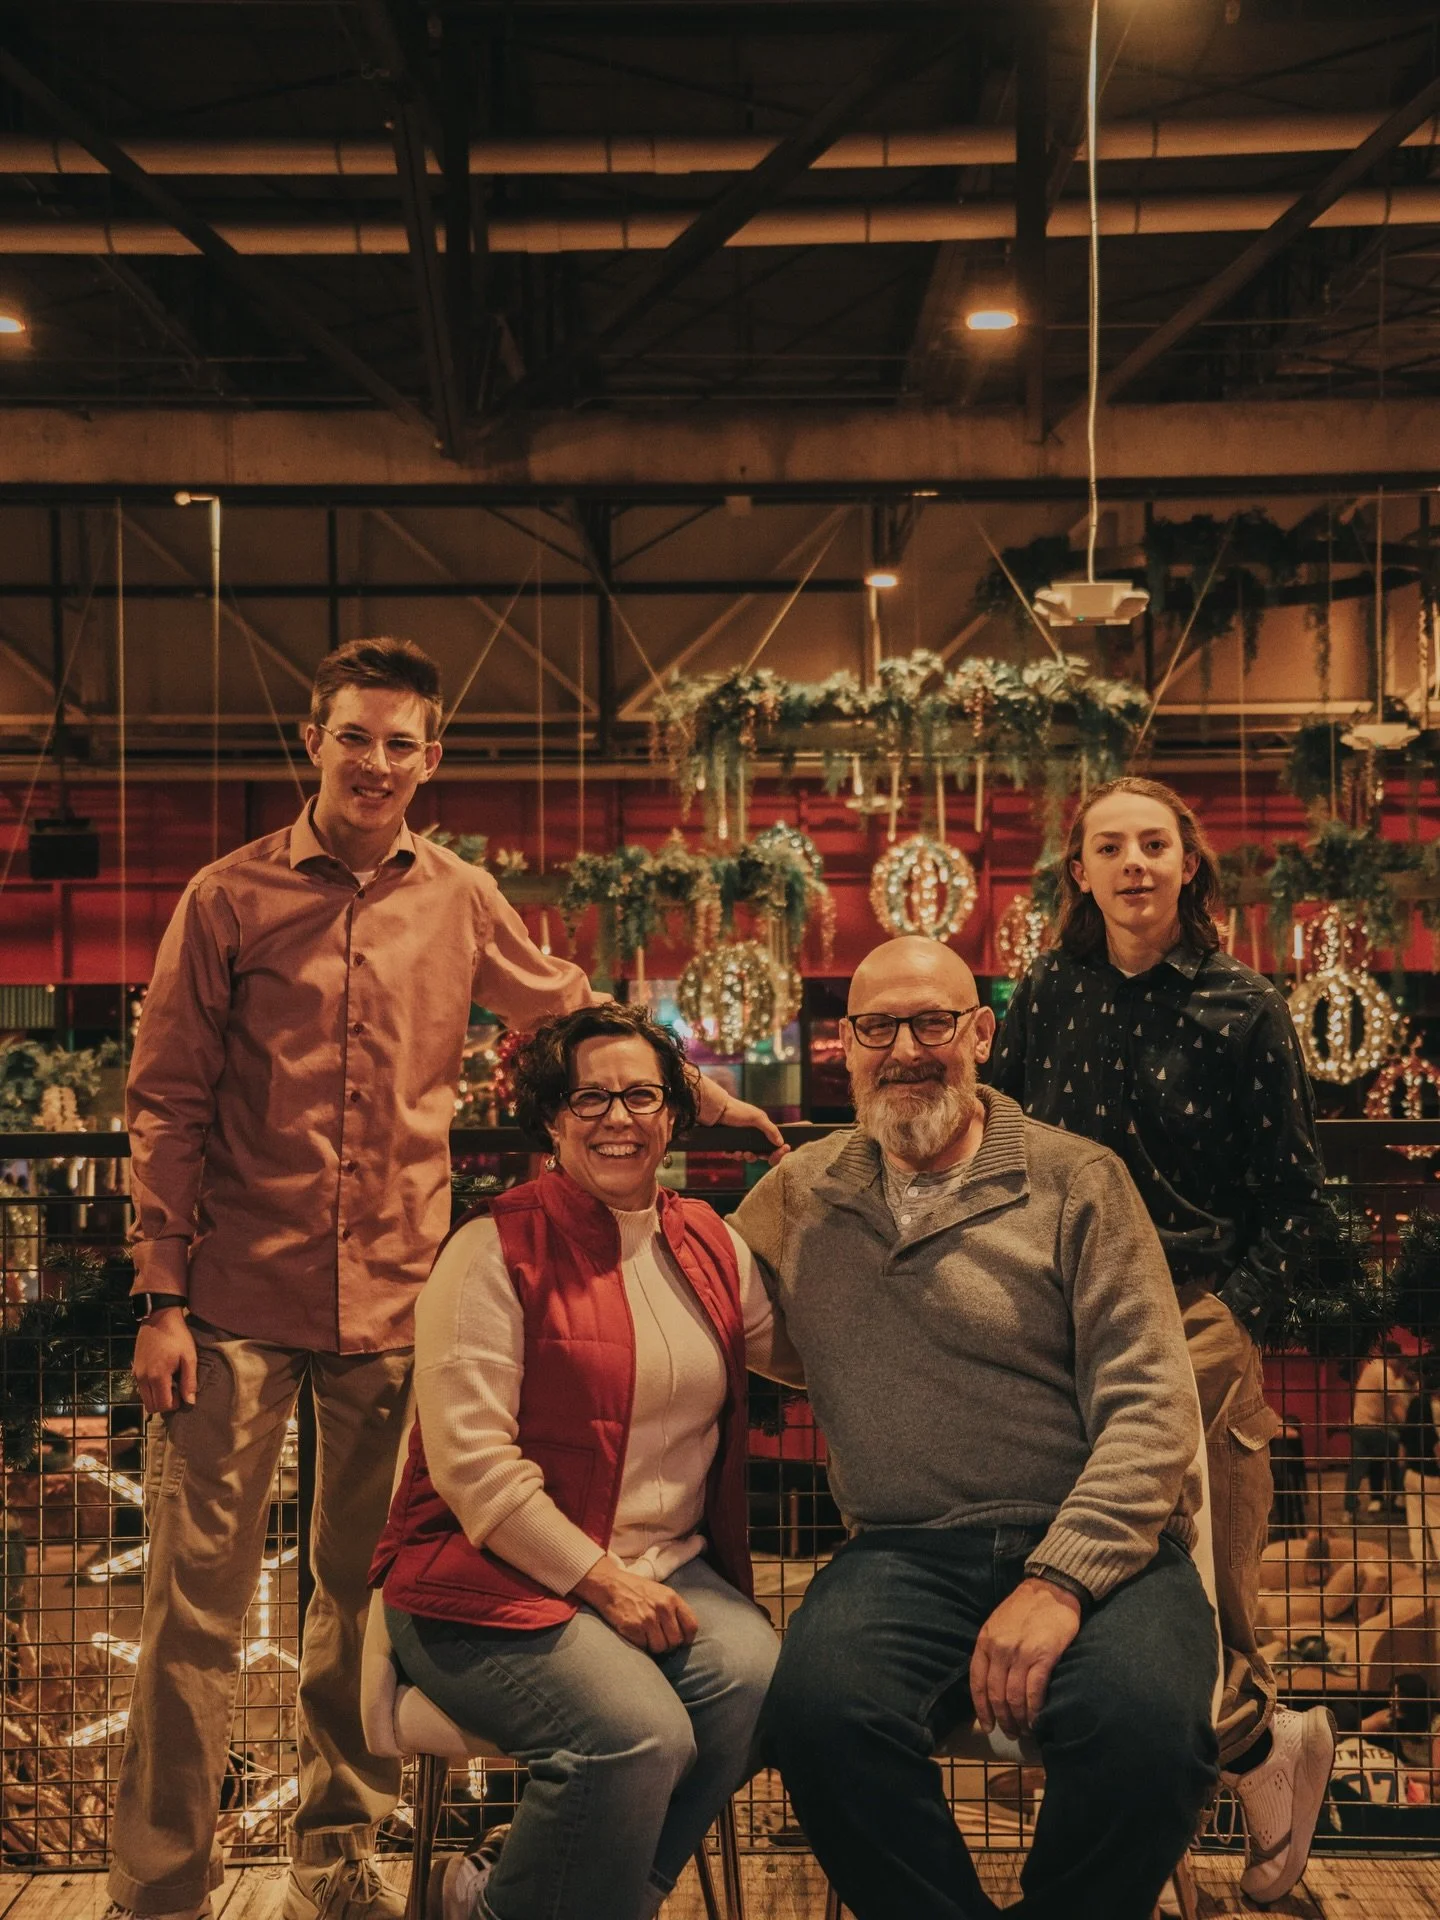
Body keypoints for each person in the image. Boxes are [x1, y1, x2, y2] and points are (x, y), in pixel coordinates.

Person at [106, 638, 783, 1920]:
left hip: (395, 1308)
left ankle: (337, 1865)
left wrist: (698, 1095)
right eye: (354, 736)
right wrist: (160, 1296)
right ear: (314, 744)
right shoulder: (227, 897)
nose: (376, 762)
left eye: (400, 741)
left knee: (357, 1603)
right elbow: (167, 1100)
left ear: (431, 758)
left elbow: (572, 1013)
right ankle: (160, 1893)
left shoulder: (462, 896)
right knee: (190, 1619)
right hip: (233, 1306)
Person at [731, 935, 1219, 1920]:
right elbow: (690, 1295)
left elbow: (1153, 1405)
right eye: (878, 1026)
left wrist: (1061, 1580)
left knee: (1151, 1735)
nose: (905, 1047)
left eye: (933, 1022)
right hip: (905, 1551)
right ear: (846, 1046)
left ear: (981, 1035)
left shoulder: (1079, 1180)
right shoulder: (801, 1192)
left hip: (1106, 1552)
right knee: (818, 1718)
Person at [987, 774, 1337, 1905]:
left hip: (1194, 1312)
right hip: (1062, 1309)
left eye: (1154, 844)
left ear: (1190, 864)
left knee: (1199, 1578)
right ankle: (1229, 1771)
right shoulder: (1047, 994)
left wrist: (1233, 1319)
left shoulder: (1246, 1006)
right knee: (1081, 1563)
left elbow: (1296, 1197)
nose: (1133, 863)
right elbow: (996, 1139)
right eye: (1109, 846)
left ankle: (1219, 1765)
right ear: (1079, 872)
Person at [370, 1003, 794, 1920]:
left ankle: (539, 1900)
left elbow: (799, 1352)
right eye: (588, 1097)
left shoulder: (711, 1242)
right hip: (479, 1580)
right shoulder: (489, 1250)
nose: (618, 1117)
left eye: (641, 1094)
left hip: (662, 1566)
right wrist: (604, 1583)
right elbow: (474, 1469)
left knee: (764, 1689)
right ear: (552, 1119)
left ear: (674, 1114)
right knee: (635, 1737)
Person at [1345, 1342, 1412, 1516]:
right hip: (1373, 1427)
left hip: (1357, 1424)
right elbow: (1395, 1407)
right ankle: (1398, 1498)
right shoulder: (1385, 1371)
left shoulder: (1370, 1368)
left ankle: (1349, 1509)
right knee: (1402, 1448)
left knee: (1357, 1467)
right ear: (1393, 1358)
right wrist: (1410, 1428)